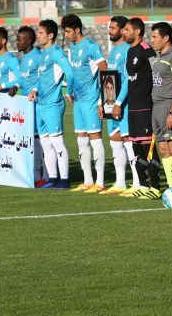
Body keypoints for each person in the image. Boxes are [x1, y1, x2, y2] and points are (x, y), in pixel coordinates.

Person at [61, 14, 108, 193]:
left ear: (77, 30)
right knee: (81, 140)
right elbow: (74, 74)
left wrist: (103, 100)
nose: (66, 35)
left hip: (91, 100)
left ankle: (100, 182)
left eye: (68, 32)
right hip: (78, 101)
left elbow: (105, 71)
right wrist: (69, 92)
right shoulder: (73, 47)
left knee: (95, 138)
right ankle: (88, 181)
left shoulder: (91, 46)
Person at [30, 19, 74, 189]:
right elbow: (41, 78)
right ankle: (53, 178)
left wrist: (69, 92)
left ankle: (65, 180)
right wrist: (35, 89)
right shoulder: (43, 53)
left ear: (50, 35)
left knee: (57, 143)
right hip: (40, 105)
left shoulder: (57, 53)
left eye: (41, 33)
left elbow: (70, 73)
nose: (38, 36)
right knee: (46, 144)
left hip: (53, 105)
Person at [102, 16, 140, 196]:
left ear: (123, 30)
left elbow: (127, 80)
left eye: (113, 28)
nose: (110, 31)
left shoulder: (128, 50)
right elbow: (107, 80)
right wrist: (102, 103)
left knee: (128, 142)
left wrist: (118, 103)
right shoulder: (113, 51)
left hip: (124, 104)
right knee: (115, 140)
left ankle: (138, 183)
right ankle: (120, 183)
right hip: (111, 103)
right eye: (109, 27)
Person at [122, 17, 160, 199]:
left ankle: (155, 187)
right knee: (136, 146)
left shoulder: (146, 49)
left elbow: (158, 73)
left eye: (127, 30)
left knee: (147, 147)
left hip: (145, 106)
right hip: (133, 106)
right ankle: (144, 186)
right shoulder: (130, 51)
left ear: (137, 31)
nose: (124, 32)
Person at [149, 21, 172, 195]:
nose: (152, 40)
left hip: (168, 105)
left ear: (166, 38)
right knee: (163, 149)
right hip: (156, 106)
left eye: (155, 37)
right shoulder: (158, 57)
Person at [15, 25, 48, 187]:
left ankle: (47, 176)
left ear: (29, 41)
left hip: (38, 104)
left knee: (42, 140)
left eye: (20, 39)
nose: (17, 42)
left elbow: (43, 78)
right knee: (33, 140)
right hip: (27, 105)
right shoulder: (23, 58)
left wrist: (35, 90)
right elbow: (23, 80)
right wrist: (15, 86)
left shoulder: (38, 56)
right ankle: (36, 175)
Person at [0, 27, 21, 96]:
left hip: (8, 100)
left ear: (3, 41)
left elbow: (21, 80)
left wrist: (2, 86)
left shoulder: (12, 59)